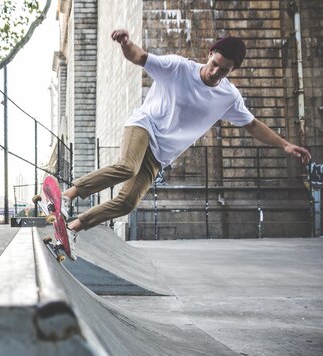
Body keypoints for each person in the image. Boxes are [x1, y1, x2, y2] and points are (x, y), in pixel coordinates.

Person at [62, 29, 311, 235]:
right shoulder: (178, 67)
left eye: (223, 70)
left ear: (232, 71)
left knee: (127, 203)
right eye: (215, 64)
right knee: (127, 167)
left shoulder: (229, 97)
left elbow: (252, 125)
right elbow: (140, 57)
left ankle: (72, 228)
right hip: (144, 127)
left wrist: (285, 145)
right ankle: (68, 195)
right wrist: (126, 43)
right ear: (210, 54)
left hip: (160, 155)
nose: (215, 73)